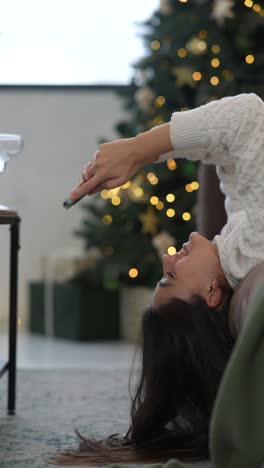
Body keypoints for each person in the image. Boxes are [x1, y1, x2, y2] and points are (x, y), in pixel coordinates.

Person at [52, 93, 263, 465]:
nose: (167, 259)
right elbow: (249, 118)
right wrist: (139, 150)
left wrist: (139, 155)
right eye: (170, 279)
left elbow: (235, 161)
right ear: (212, 294)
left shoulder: (236, 249)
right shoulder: (252, 249)